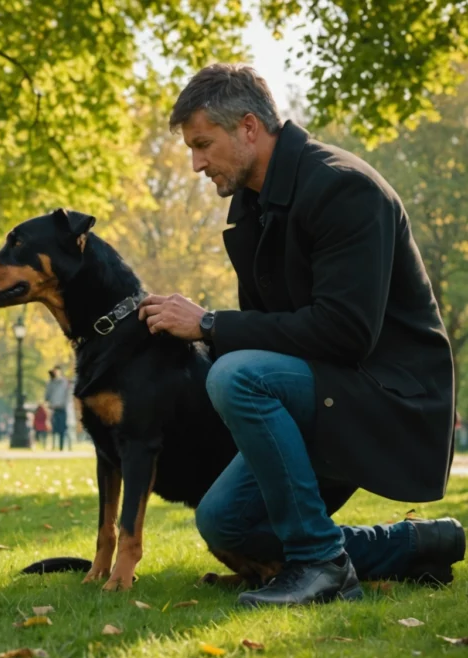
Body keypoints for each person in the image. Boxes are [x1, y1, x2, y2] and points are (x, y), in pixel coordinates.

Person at [138, 64, 464, 607]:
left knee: (237, 374)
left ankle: (321, 564)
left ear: (248, 128)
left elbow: (344, 333)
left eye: (202, 144)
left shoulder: (343, 188)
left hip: (390, 397)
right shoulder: (254, 205)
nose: (196, 164)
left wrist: (210, 324)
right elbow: (274, 337)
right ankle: (414, 544)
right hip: (326, 388)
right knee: (225, 524)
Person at [44, 366, 70, 450]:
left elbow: (46, 397)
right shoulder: (61, 382)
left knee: (58, 428)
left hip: (58, 408)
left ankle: (59, 446)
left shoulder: (61, 382)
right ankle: (58, 446)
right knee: (60, 428)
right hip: (58, 408)